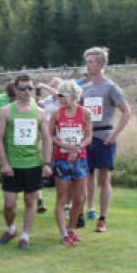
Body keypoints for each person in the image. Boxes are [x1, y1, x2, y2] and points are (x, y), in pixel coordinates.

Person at [0, 74, 53, 250]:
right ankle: (11, 229)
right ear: (15, 90)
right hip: (12, 165)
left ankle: (25, 236)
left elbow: (47, 139)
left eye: (29, 88)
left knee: (30, 201)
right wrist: (4, 163)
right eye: (22, 88)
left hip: (33, 164)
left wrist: (47, 163)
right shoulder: (6, 111)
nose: (26, 92)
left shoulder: (40, 112)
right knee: (10, 203)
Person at [81, 46, 132, 232]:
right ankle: (84, 211)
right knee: (86, 175)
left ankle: (102, 218)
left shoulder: (111, 87)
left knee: (105, 177)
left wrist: (114, 134)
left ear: (101, 64)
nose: (87, 65)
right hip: (87, 137)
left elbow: (127, 112)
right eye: (86, 61)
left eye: (91, 61)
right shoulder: (84, 88)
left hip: (104, 137)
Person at [49, 79, 92, 246]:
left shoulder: (85, 113)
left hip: (79, 159)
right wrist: (63, 145)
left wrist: (78, 147)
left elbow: (88, 136)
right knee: (62, 197)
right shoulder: (56, 114)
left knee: (80, 198)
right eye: (58, 95)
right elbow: (49, 135)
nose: (58, 98)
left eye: (62, 95)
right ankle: (63, 233)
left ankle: (72, 229)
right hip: (62, 159)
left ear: (72, 96)